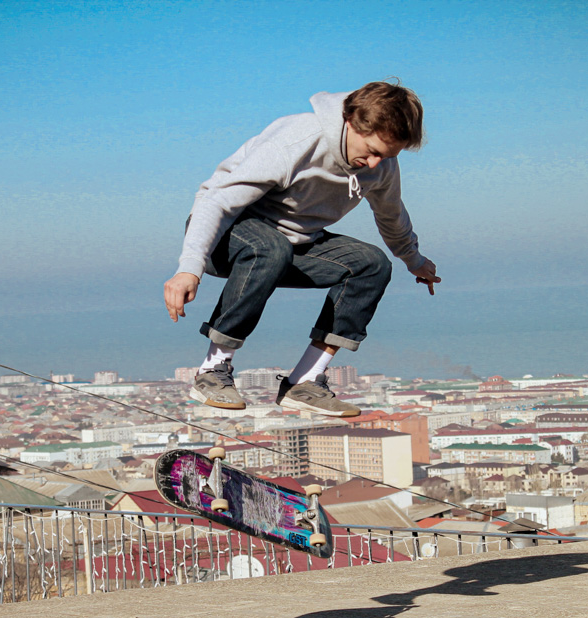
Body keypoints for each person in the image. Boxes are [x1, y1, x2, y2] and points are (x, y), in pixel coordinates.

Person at [163, 80, 439, 417]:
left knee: (371, 265)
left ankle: (305, 381)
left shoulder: (381, 166)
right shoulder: (298, 141)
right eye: (372, 150)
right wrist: (188, 268)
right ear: (351, 122)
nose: (373, 164)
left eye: (386, 155)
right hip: (224, 233)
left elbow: (391, 216)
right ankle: (212, 370)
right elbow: (217, 201)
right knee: (270, 248)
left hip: (293, 243)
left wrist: (414, 260)